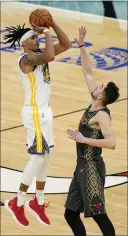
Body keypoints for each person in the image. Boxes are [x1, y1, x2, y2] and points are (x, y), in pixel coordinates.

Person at [3, 20, 71, 227]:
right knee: (37, 157)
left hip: (44, 112)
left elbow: (66, 45)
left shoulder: (39, 55)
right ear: (24, 43)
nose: (37, 38)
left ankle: (38, 201)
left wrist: (53, 23)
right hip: (34, 112)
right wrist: (48, 32)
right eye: (33, 37)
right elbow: (50, 55)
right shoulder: (27, 59)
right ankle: (18, 201)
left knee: (47, 156)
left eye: (37, 36)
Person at [65, 26, 119, 236]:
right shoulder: (93, 102)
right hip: (81, 167)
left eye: (101, 86)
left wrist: (83, 139)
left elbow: (112, 143)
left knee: (99, 215)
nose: (97, 85)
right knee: (70, 214)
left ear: (101, 96)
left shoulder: (102, 116)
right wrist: (81, 45)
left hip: (92, 170)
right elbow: (87, 71)